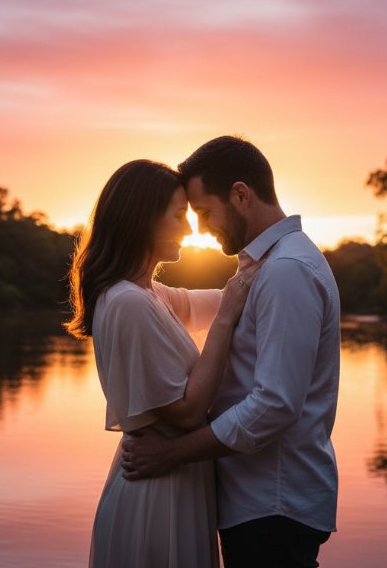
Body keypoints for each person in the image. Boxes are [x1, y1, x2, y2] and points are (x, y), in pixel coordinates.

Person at [121, 136, 341, 568]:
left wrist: (172, 453)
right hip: (260, 503)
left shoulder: (285, 272)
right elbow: (184, 305)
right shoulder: (267, 264)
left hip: (273, 505)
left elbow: (275, 404)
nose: (201, 228)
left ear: (240, 195)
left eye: (204, 212)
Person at [65, 159, 260, 568]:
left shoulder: (148, 294)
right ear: (143, 221)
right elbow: (187, 412)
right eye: (178, 216)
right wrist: (227, 317)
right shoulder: (129, 302)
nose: (189, 229)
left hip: (173, 483)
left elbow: (213, 301)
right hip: (157, 496)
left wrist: (263, 270)